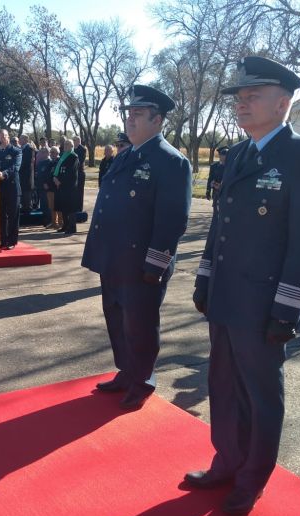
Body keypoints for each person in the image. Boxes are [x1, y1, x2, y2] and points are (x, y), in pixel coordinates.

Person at [188, 57, 300, 515]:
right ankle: (227, 461)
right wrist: (205, 277)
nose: (241, 103)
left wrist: (287, 309)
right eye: (239, 97)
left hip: (265, 302)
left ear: (284, 102)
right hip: (228, 294)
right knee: (224, 385)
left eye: (253, 96)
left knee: (261, 393)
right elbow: (220, 226)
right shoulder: (239, 154)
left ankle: (252, 479)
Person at [82, 84, 192, 411]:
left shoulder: (171, 161)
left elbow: (172, 220)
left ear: (157, 121)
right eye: (129, 114)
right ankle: (126, 371)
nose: (130, 121)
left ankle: (143, 380)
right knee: (116, 318)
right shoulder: (127, 155)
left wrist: (155, 265)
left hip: (141, 263)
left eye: (138, 115)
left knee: (140, 324)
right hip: (113, 258)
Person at [0, 129, 22, 249]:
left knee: (13, 215)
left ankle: (12, 241)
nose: (1, 139)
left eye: (3, 137)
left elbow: (15, 167)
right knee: (1, 215)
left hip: (12, 188)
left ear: (8, 137)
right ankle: (3, 240)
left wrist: (3, 173)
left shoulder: (16, 151)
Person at [52, 138, 79, 235]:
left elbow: (70, 172)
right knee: (63, 207)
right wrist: (55, 178)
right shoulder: (63, 156)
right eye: (65, 144)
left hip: (69, 186)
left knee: (70, 208)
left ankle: (72, 228)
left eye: (68, 145)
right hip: (61, 186)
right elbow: (58, 169)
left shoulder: (74, 157)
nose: (66, 146)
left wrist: (60, 181)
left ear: (72, 146)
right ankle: (65, 225)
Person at [19, 134, 36, 211]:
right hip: (22, 174)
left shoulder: (29, 148)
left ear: (26, 139)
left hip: (27, 173)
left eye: (21, 139)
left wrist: (18, 167)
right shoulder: (22, 148)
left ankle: (28, 208)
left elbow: (26, 161)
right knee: (23, 190)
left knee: (27, 191)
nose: (19, 140)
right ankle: (24, 207)